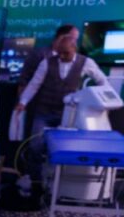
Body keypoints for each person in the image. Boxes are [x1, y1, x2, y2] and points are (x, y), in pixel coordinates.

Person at [14, 24, 108, 184]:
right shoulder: (46, 63)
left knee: (64, 148)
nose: (62, 56)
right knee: (36, 146)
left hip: (68, 114)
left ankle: (57, 182)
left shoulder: (86, 62)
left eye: (66, 53)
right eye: (60, 53)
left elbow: (102, 81)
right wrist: (23, 102)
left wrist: (102, 100)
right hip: (43, 112)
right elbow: (34, 84)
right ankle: (35, 181)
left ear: (74, 49)